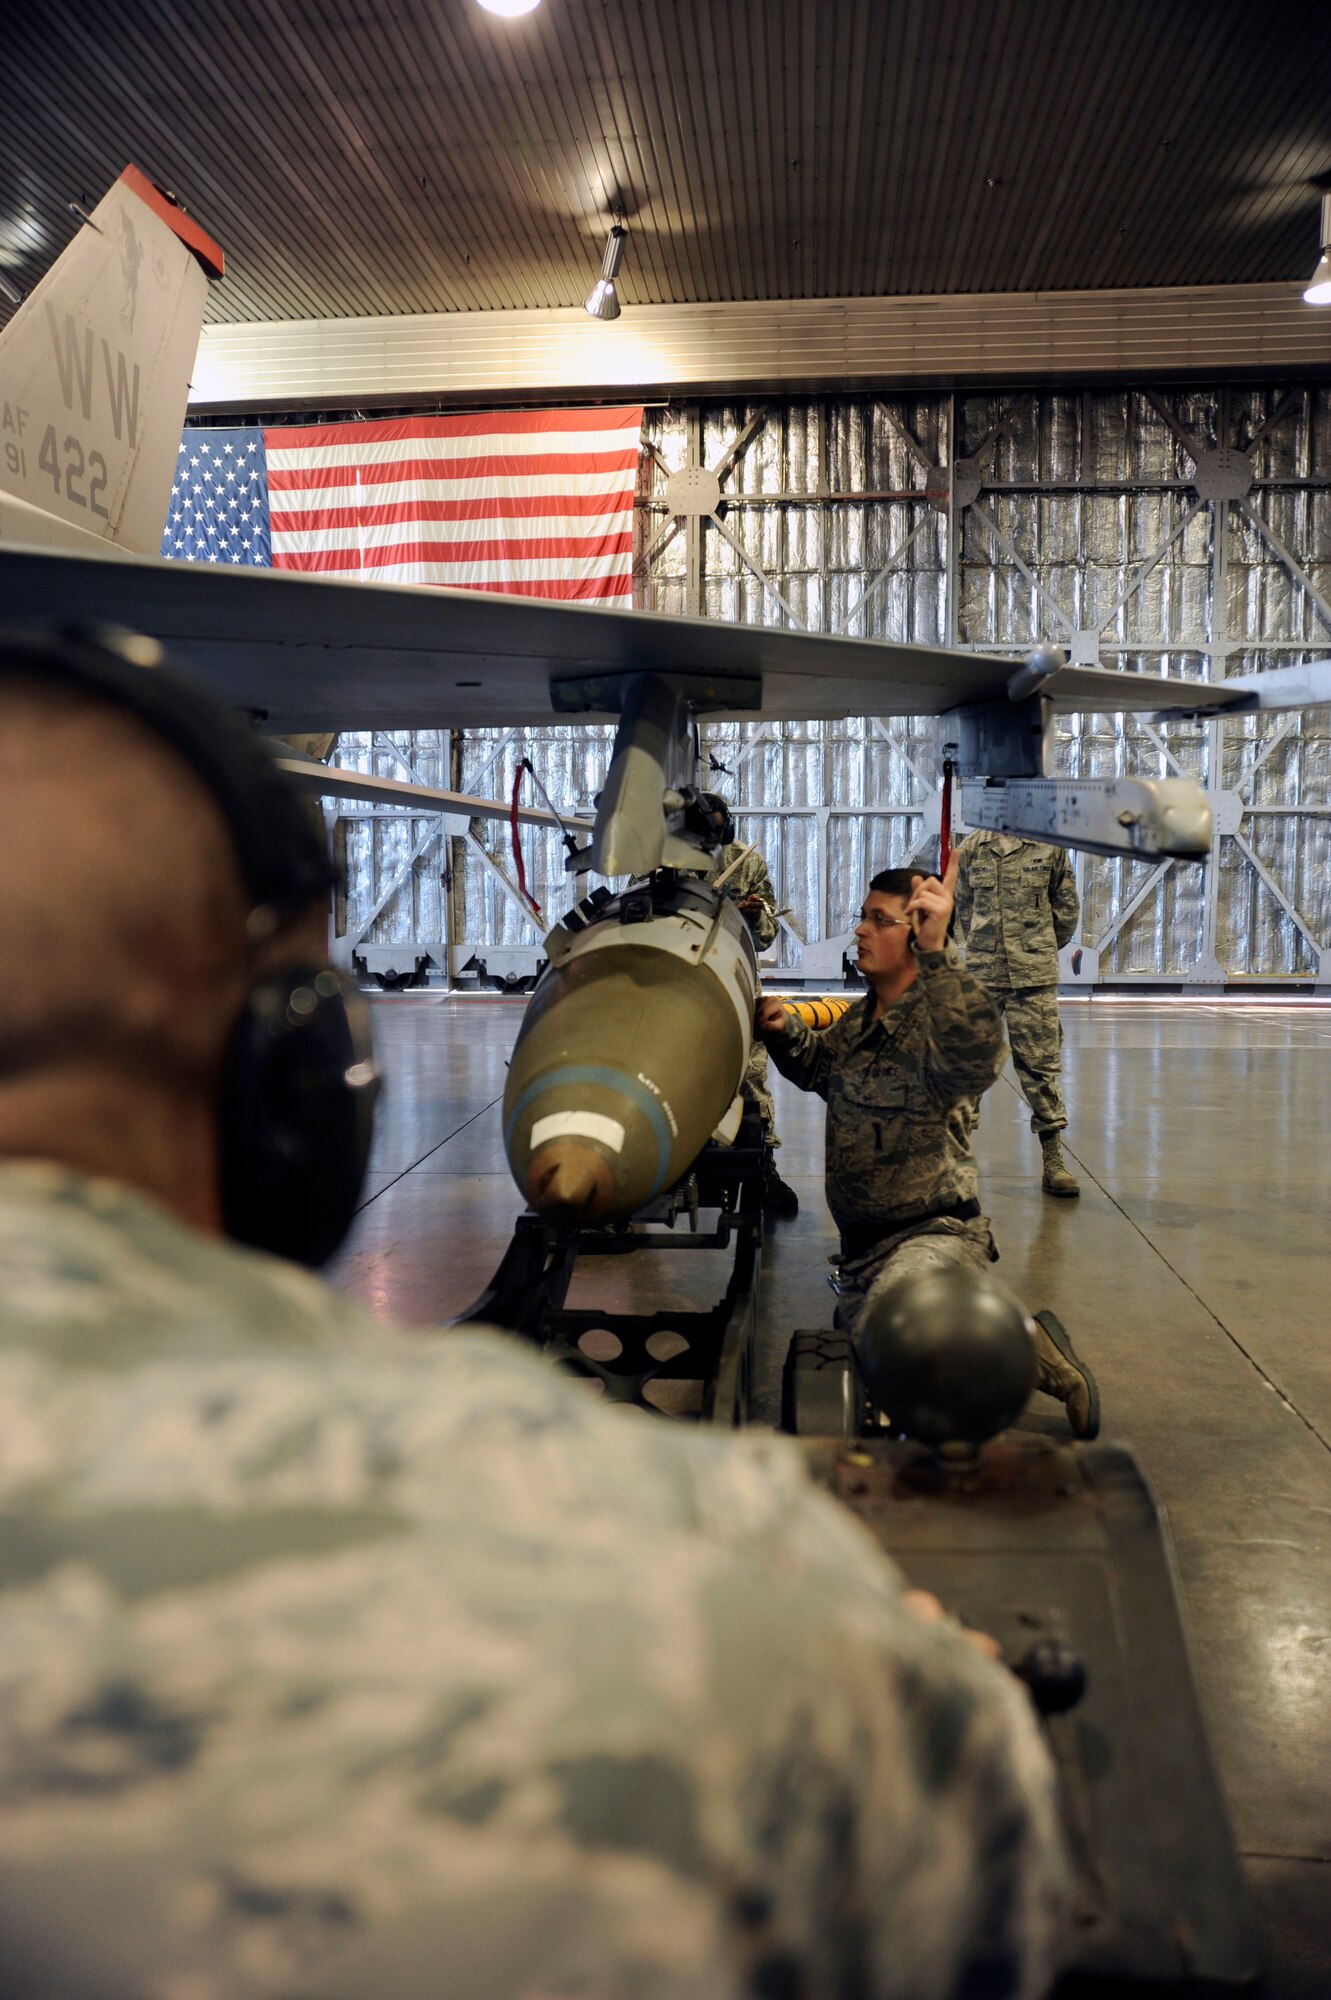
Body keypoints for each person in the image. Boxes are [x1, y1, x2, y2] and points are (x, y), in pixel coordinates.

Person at [0, 629, 1071, 1998]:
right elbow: (980, 1852)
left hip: (914, 1224)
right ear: (304, 1083)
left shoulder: (926, 1019)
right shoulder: (640, 1542)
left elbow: (939, 1043)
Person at [757, 861, 1098, 1437]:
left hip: (932, 1233)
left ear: (916, 937)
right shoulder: (861, 1018)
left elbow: (976, 1052)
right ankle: (1031, 1339)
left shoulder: (940, 1021)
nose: (860, 931)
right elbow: (823, 1071)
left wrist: (941, 953)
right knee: (878, 1340)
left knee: (901, 1347)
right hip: (863, 1252)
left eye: (878, 921)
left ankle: (1032, 1358)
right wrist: (782, 1033)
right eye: (862, 918)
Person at [953, 831, 1081, 1198]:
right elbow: (963, 907)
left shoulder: (1049, 846)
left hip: (1033, 976)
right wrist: (983, 946)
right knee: (969, 1066)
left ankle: (1053, 1160)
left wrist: (1034, 947)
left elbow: (1066, 908)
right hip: (983, 974)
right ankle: (957, 1159)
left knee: (1041, 1067)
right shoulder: (973, 848)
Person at [711, 801, 800, 1219]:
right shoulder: (657, 865)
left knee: (749, 1076)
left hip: (734, 979)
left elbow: (766, 937)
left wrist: (749, 917)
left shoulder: (746, 863)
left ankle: (764, 1165)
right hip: (675, 981)